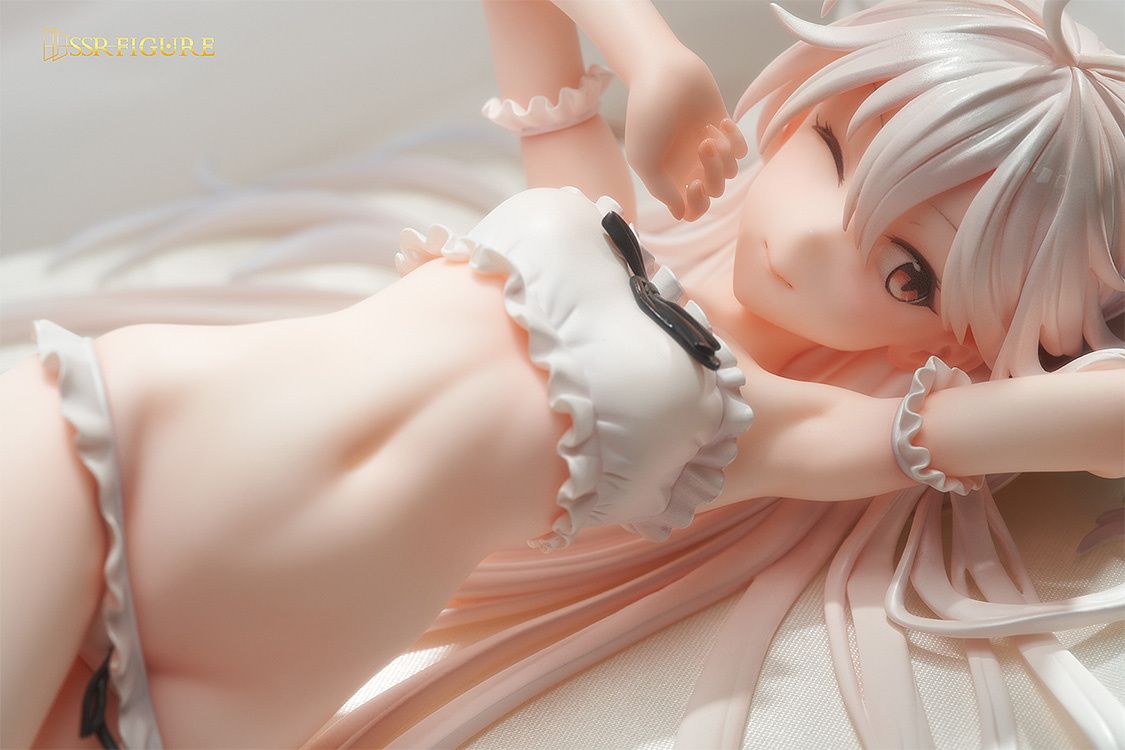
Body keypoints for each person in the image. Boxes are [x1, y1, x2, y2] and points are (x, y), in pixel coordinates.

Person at [1, 0, 1121, 748]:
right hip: (127, 450)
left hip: (240, 686)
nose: (814, 235)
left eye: (908, 274)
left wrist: (1051, 350)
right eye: (829, 149)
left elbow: (1055, 421)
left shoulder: (762, 429)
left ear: (946, 343)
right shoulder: (591, 201)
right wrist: (652, 56)